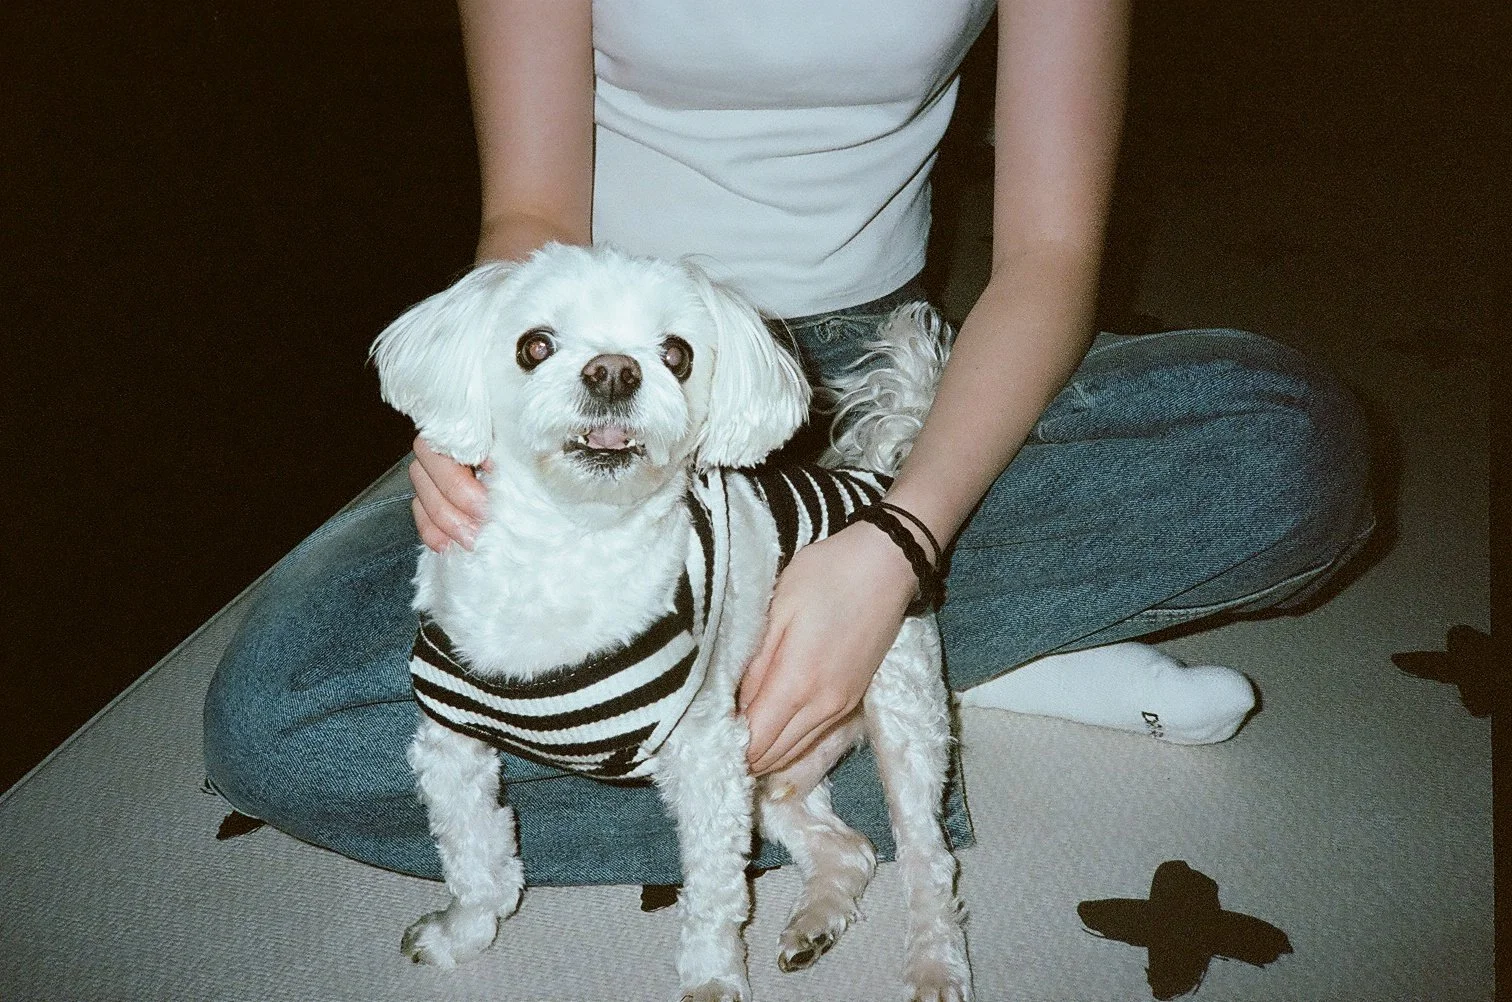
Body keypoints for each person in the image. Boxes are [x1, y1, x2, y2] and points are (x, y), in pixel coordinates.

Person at [203, 0, 1373, 887]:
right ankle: (943, 662)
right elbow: (535, 214)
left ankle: (838, 636)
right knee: (280, 724)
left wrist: (900, 543)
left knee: (1291, 437)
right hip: (619, 377)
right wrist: (471, 418)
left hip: (880, 374)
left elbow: (1049, 260)